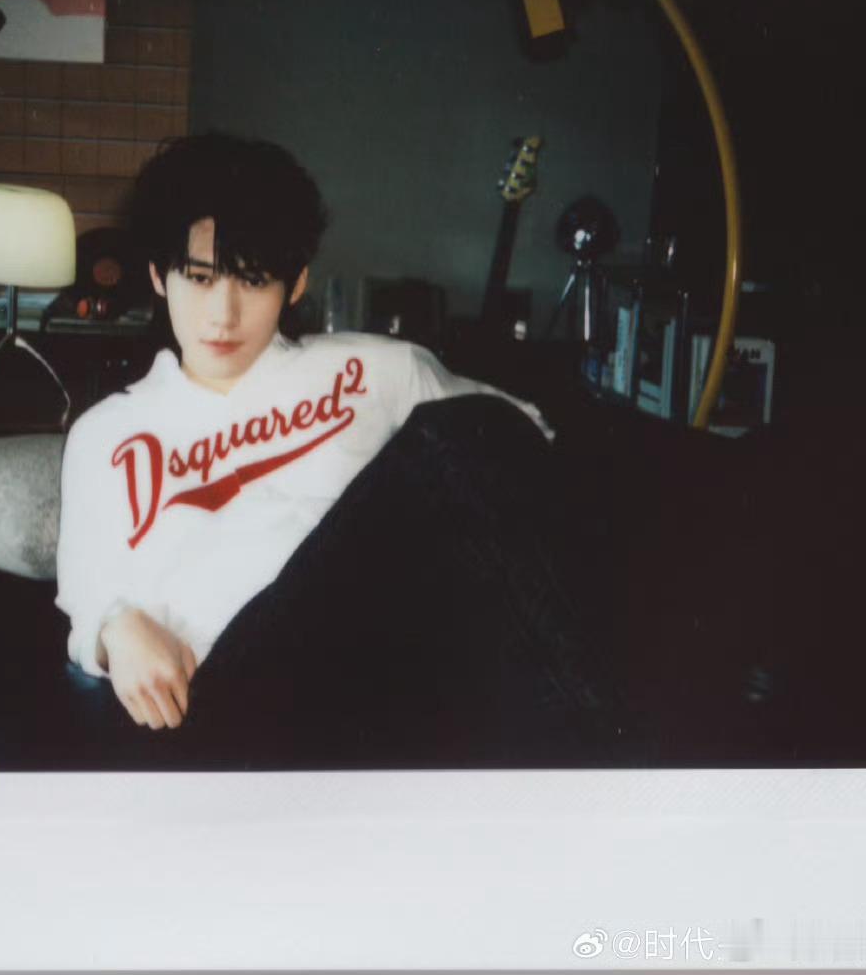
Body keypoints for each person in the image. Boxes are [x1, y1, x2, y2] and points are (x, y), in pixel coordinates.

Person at [52, 131, 636, 768]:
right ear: (158, 278)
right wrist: (116, 629)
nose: (222, 314)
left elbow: (516, 437)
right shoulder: (107, 433)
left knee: (461, 433)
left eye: (254, 280)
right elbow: (86, 601)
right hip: (228, 700)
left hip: (384, 678)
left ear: (296, 284)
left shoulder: (375, 371)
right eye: (198, 278)